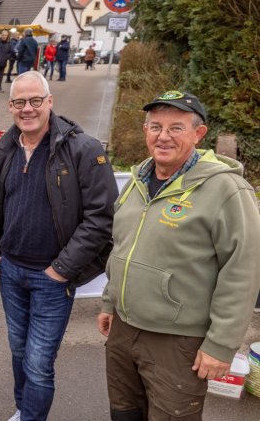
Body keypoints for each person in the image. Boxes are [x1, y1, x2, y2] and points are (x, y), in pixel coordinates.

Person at [98, 91, 260, 421]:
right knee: (124, 413)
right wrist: (109, 302)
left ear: (199, 134)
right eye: (155, 126)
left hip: (178, 340)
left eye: (176, 128)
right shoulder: (138, 180)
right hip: (123, 331)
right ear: (145, 130)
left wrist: (221, 345)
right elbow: (122, 246)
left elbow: (243, 268)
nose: (163, 136)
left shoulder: (226, 189)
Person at [0, 71, 117, 421]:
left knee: (39, 361)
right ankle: (25, 410)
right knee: (18, 350)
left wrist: (61, 270)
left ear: (50, 102)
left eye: (35, 100)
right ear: (11, 106)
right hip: (11, 271)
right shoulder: (6, 149)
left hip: (52, 278)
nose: (28, 108)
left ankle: (31, 417)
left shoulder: (82, 149)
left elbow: (102, 217)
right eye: (20, 102)